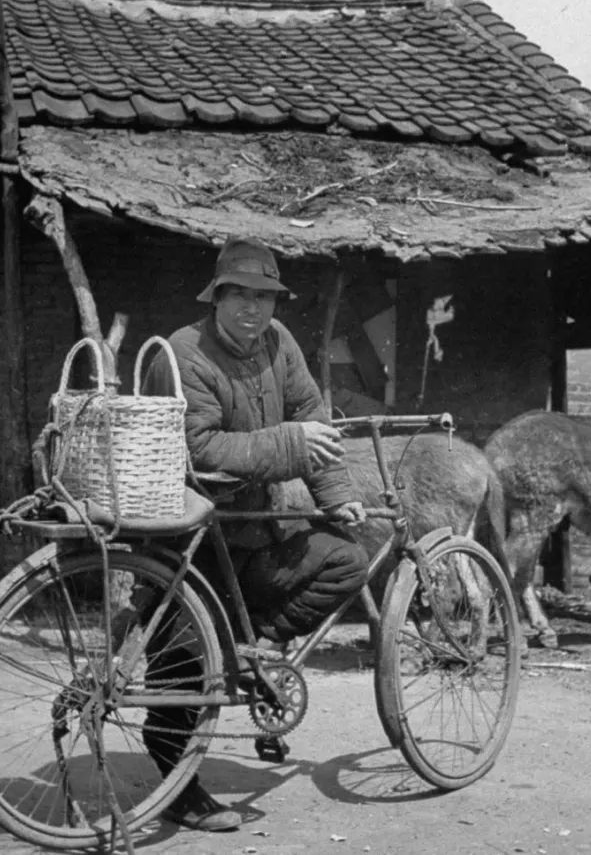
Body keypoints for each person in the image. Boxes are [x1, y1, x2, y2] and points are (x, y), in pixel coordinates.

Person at [143, 237, 368, 832]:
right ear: (216, 297)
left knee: (346, 561)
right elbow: (199, 447)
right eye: (239, 294)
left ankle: (256, 650)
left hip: (257, 534)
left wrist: (337, 496)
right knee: (182, 664)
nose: (252, 308)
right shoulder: (183, 353)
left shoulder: (280, 344)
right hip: (190, 538)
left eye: (264, 296)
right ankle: (177, 787)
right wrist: (286, 444)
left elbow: (313, 418)